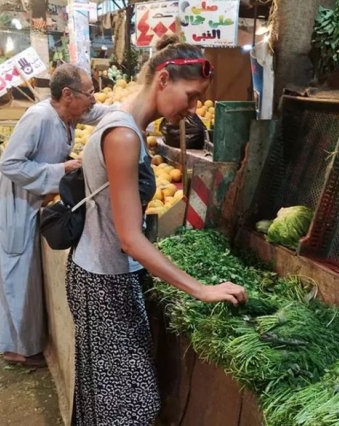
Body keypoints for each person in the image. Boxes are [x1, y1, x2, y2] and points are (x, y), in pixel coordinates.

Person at [67, 35, 247, 424]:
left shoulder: (127, 124)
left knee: (108, 397)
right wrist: (201, 289)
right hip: (103, 282)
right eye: (192, 95)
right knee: (132, 405)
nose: (194, 108)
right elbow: (131, 239)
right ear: (163, 80)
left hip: (106, 274)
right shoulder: (124, 136)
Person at [0, 64, 117, 368]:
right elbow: (10, 164)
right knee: (16, 276)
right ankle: (15, 348)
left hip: (32, 201)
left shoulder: (72, 112)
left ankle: (24, 341)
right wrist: (62, 170)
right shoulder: (40, 117)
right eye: (89, 93)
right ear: (67, 95)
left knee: (25, 276)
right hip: (13, 204)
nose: (93, 99)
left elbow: (101, 113)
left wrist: (137, 112)